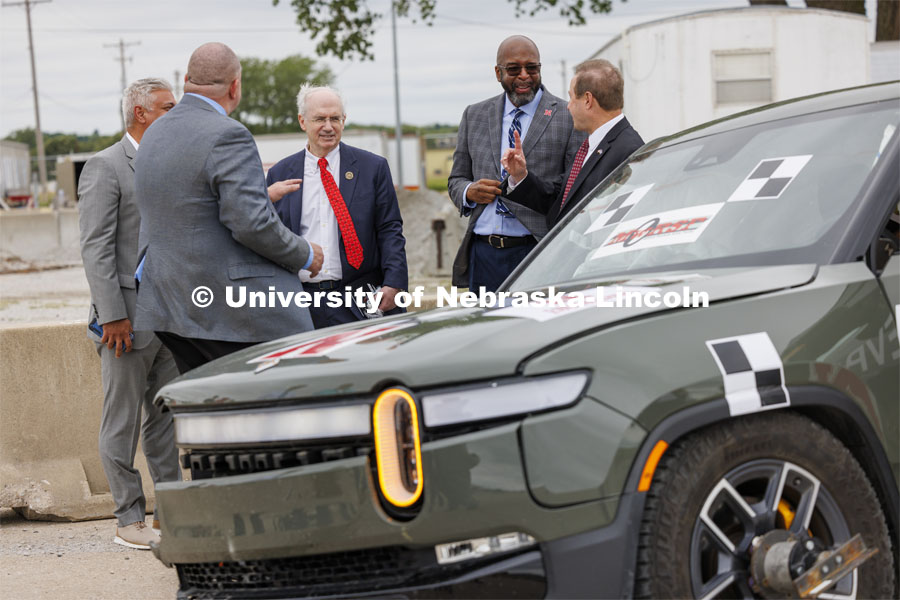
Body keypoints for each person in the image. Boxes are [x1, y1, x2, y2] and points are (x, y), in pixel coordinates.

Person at [133, 42, 324, 373]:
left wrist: (262, 196)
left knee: (211, 408)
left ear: (187, 80)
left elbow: (193, 205)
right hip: (225, 310)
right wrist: (306, 253)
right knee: (278, 400)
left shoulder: (154, 132)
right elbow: (252, 225)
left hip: (168, 304)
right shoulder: (229, 134)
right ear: (235, 86)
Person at [78, 77, 179, 550]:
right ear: (141, 113)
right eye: (167, 107)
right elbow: (96, 248)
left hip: (171, 318)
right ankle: (128, 519)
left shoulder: (170, 163)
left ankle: (170, 514)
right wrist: (113, 314)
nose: (175, 115)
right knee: (120, 424)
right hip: (126, 321)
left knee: (165, 422)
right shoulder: (106, 167)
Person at [448, 35, 583, 292]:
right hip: (484, 253)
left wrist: (521, 182)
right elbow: (456, 179)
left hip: (539, 250)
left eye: (532, 68)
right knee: (488, 330)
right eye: (513, 69)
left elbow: (573, 186)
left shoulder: (567, 116)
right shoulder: (474, 115)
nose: (524, 75)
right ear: (498, 73)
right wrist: (469, 192)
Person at [265, 84, 407, 329]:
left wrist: (394, 282)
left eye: (335, 118)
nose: (328, 127)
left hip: (359, 299)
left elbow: (389, 228)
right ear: (302, 121)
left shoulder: (372, 168)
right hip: (301, 303)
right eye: (320, 119)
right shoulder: (280, 174)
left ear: (344, 120)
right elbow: (268, 235)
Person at [501, 59, 644, 226]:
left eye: (571, 97)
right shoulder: (592, 145)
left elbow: (619, 222)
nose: (568, 106)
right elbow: (561, 199)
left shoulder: (630, 152)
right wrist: (520, 176)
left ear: (588, 100)